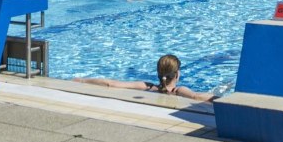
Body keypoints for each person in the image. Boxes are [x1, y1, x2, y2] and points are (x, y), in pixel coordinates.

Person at [73, 54, 215, 102]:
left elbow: (111, 84)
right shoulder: (178, 91)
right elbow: (197, 96)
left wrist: (82, 80)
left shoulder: (148, 87)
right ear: (177, 74)